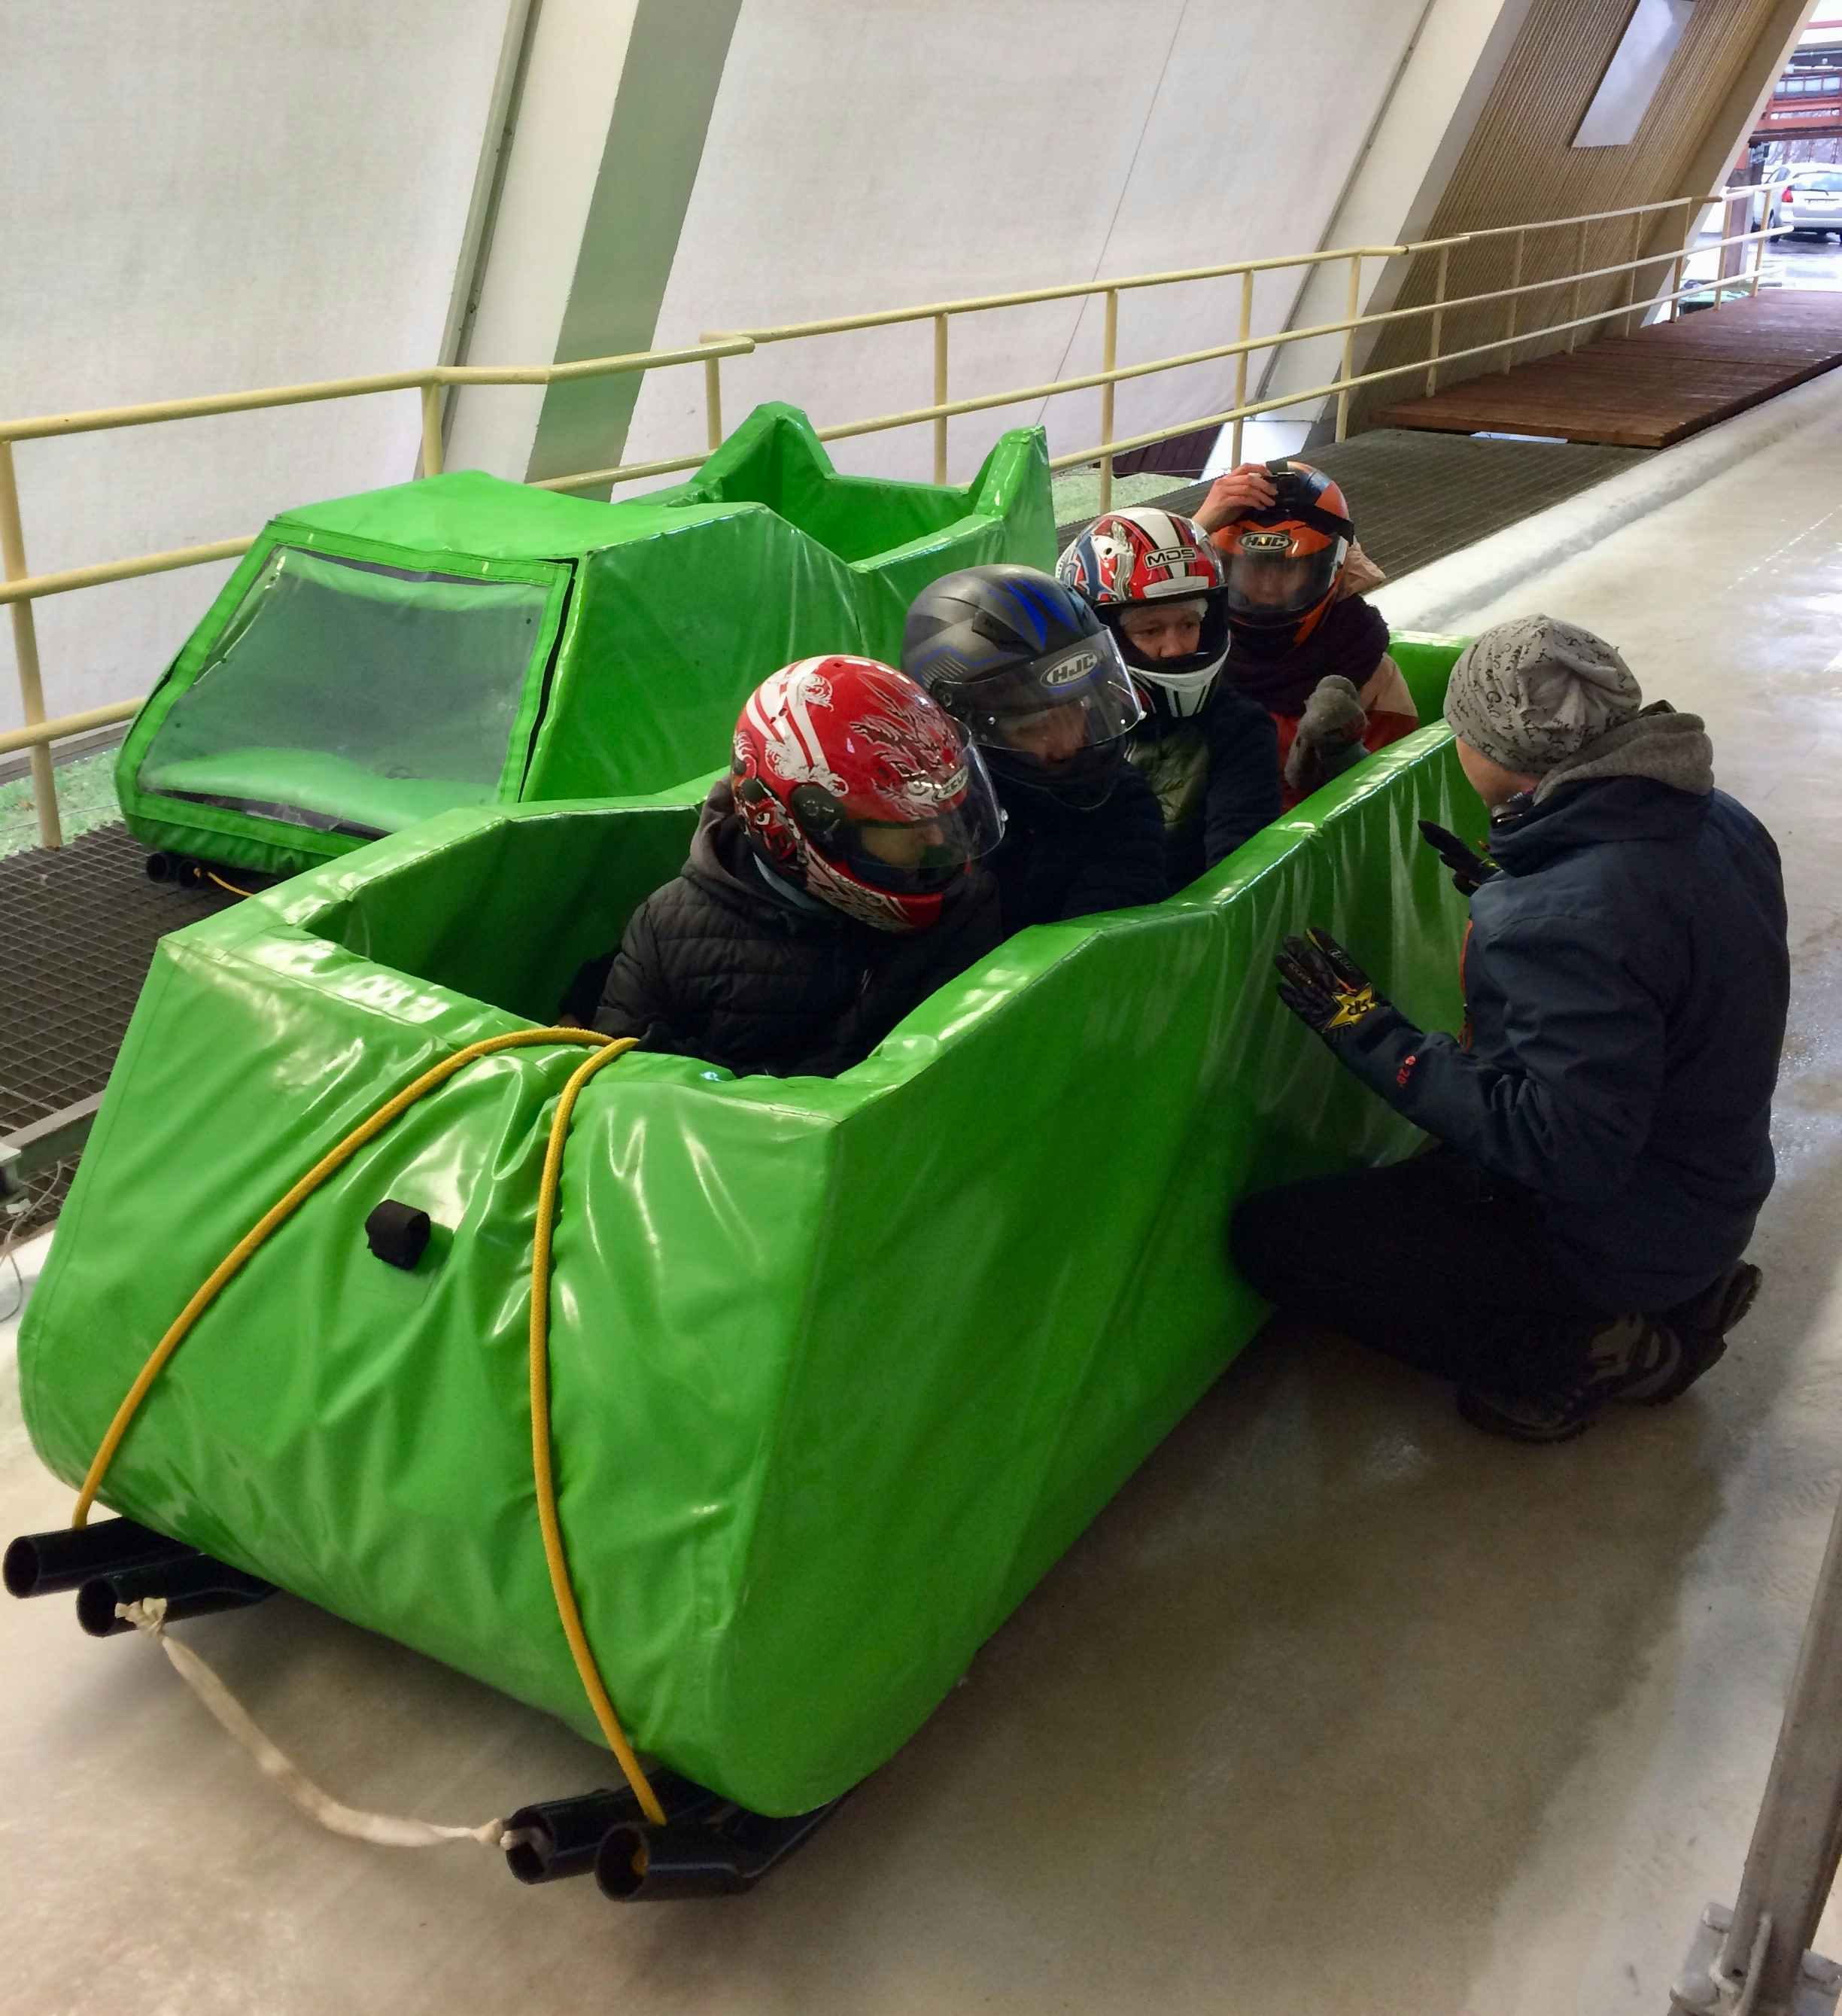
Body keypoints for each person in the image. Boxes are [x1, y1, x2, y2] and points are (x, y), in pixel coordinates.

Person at [1230, 616, 1789, 1443]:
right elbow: (1663, 965)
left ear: (1501, 749)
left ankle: (1587, 1349)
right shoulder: (1720, 818)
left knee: (1277, 1238)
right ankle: (1677, 1286)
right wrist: (1527, 888)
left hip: (1616, 1229)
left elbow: (1563, 1151)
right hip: (1708, 1191)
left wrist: (1373, 1032)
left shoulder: (1570, 912)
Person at [589, 655, 1005, 1077]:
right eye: (906, 823)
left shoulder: (963, 904)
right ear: (814, 826)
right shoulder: (668, 933)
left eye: (942, 816)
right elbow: (622, 1096)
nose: (937, 839)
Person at [901, 564, 1168, 933]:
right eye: (1035, 726)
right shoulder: (928, 832)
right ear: (958, 723)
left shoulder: (1122, 800)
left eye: (1080, 709)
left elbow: (1101, 947)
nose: (1067, 745)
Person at [1056, 506, 1281, 887]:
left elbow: (1238, 877)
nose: (1174, 648)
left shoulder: (1240, 729)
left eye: (1189, 624)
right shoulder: (1064, 732)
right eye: (1150, 630)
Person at [1192, 459, 1418, 807]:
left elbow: (1396, 806)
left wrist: (1344, 757)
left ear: (1332, 568)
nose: (1266, 589)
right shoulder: (1188, 647)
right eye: (1249, 569)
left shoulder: (1370, 671)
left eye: (1287, 569)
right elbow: (1098, 627)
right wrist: (1196, 529)